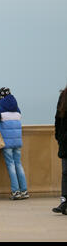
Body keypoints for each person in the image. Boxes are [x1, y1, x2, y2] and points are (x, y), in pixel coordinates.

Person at [0, 87, 29, 200]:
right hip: (17, 141)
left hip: (7, 142)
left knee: (11, 165)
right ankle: (24, 191)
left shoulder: (0, 107)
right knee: (18, 164)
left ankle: (15, 192)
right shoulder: (17, 108)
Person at [53, 86, 67, 214]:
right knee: (65, 172)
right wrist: (58, 136)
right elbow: (58, 117)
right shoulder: (63, 96)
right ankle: (64, 201)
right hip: (65, 142)